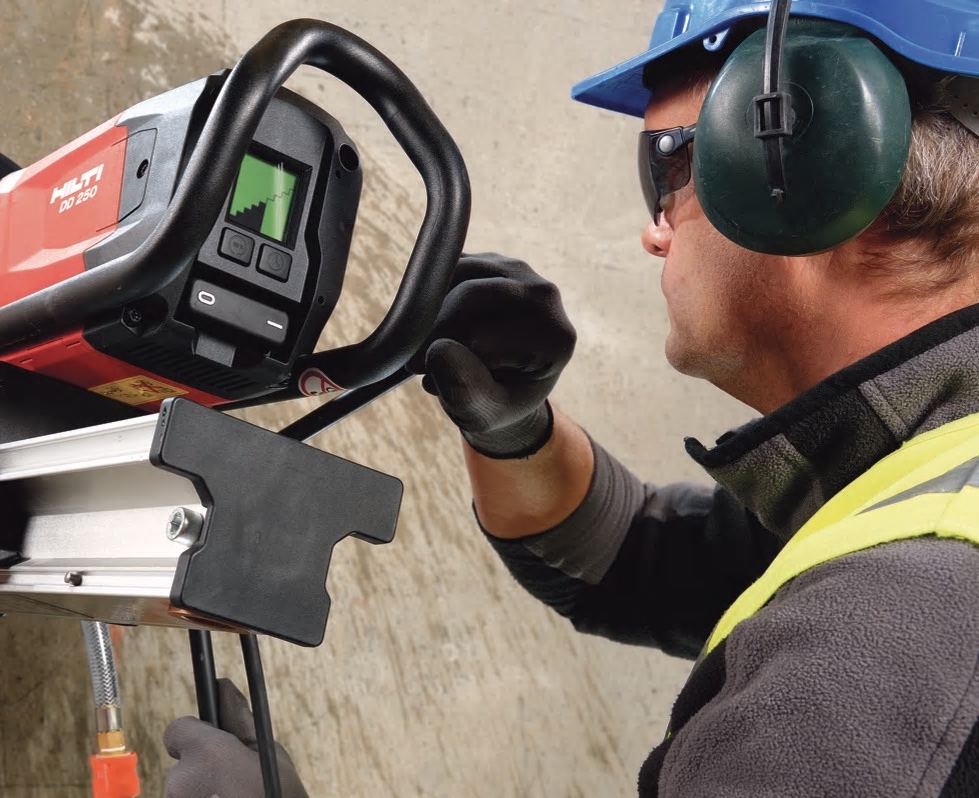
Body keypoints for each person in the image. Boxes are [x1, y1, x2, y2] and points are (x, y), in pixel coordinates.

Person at [163, 1, 979, 795]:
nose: (653, 232)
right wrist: (513, 431)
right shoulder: (923, 483)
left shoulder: (877, 647)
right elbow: (636, 561)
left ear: (811, 160)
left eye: (664, 169)